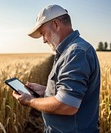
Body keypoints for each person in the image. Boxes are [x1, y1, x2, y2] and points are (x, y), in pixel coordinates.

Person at [12, 4, 100, 133]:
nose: (43, 40)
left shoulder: (76, 52)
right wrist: (47, 91)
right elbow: (71, 93)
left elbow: (67, 105)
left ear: (56, 24)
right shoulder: (68, 51)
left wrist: (30, 101)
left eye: (43, 33)